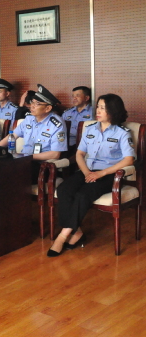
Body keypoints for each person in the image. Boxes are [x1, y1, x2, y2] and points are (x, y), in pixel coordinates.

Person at [47, 94, 135, 257]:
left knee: (82, 195)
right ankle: (77, 232)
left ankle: (62, 236)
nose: (98, 111)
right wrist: (87, 172)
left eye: (103, 108)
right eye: (98, 107)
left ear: (113, 111)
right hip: (87, 171)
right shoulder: (90, 129)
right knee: (64, 190)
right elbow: (79, 154)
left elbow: (129, 159)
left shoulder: (122, 132)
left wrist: (102, 173)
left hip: (109, 175)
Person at [0, 84, 67, 182]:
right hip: (23, 160)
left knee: (9, 175)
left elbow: (55, 154)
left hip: (42, 165)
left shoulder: (56, 124)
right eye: (32, 102)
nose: (32, 106)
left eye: (37, 104)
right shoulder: (29, 119)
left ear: (48, 108)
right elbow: (12, 136)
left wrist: (27, 157)